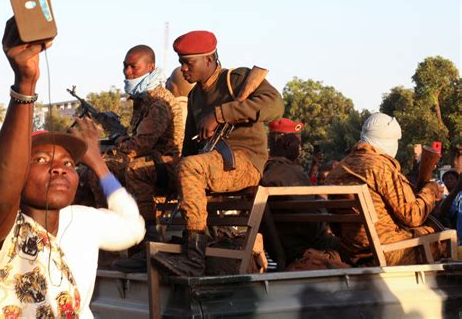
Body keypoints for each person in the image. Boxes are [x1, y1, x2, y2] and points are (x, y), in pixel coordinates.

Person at [0, 18, 145, 318]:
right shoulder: (1, 229)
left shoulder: (83, 222)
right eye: (42, 160)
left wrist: (97, 162)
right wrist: (25, 84)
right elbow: (0, 195)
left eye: (69, 164)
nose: (59, 169)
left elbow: (134, 228)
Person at [152, 30, 284, 276]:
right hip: (209, 162)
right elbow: (189, 151)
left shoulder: (237, 79)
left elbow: (275, 104)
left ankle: (194, 258)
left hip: (245, 162)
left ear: (209, 60)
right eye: (181, 63)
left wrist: (220, 114)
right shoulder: (194, 96)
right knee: (142, 172)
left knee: (191, 167)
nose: (183, 70)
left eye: (188, 63)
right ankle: (143, 245)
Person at [88, 45, 184, 240]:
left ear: (150, 67)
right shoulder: (143, 99)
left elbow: (139, 145)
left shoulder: (159, 103)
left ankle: (147, 238)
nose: (127, 72)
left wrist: (110, 150)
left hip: (165, 165)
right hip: (151, 160)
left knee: (115, 169)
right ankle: (108, 234)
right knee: (91, 172)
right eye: (125, 66)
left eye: (133, 67)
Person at [325, 112, 446, 266]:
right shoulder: (379, 167)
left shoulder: (339, 169)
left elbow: (335, 226)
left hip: (351, 251)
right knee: (444, 238)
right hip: (387, 252)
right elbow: (413, 217)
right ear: (389, 141)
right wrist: (430, 190)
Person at [261, 118, 339, 266]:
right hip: (307, 250)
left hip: (279, 250)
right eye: (299, 142)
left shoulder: (265, 170)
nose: (300, 147)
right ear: (288, 144)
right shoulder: (292, 173)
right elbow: (312, 227)